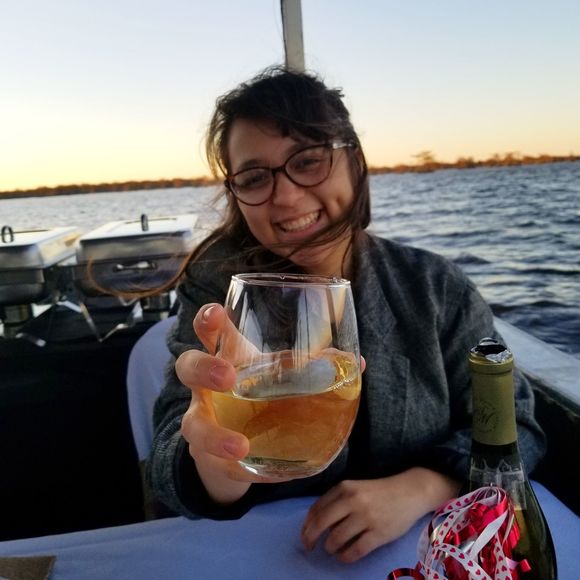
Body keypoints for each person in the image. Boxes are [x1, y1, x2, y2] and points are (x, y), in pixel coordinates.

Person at [146, 65, 545, 563]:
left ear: (354, 161)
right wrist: (213, 466)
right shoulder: (217, 290)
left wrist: (424, 487)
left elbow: (517, 424)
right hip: (269, 556)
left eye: (308, 161)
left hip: (426, 550)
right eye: (254, 177)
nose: (286, 196)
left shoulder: (435, 288)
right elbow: (169, 452)